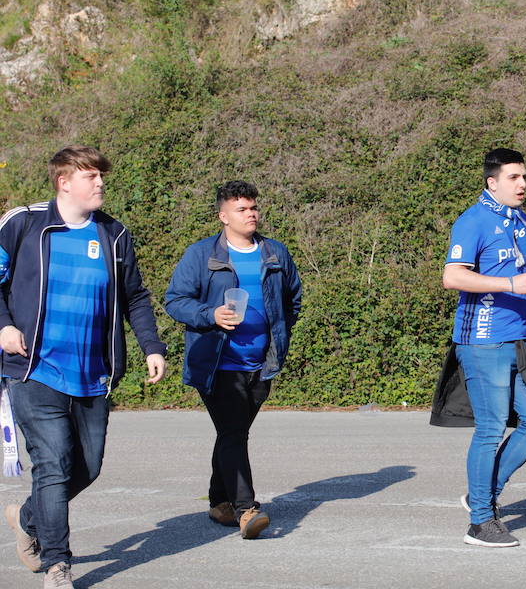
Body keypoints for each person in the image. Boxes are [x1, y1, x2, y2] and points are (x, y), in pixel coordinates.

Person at [0, 145, 167, 588]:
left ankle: (29, 515)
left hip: (93, 373)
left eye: (100, 176)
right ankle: (57, 564)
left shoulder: (114, 234)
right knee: (53, 465)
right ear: (64, 182)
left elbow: (135, 296)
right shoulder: (24, 223)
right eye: (91, 177)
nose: (100, 184)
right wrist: (3, 326)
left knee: (86, 468)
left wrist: (152, 345)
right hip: (34, 369)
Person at [165, 180, 302, 539]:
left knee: (232, 434)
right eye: (242, 209)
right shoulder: (200, 255)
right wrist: (211, 315)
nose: (251, 213)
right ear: (223, 216)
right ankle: (245, 509)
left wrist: (278, 336)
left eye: (254, 207)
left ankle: (218, 501)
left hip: (262, 363)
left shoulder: (275, 253)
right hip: (216, 363)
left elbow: (293, 301)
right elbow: (175, 300)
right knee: (233, 433)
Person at [442, 148, 526, 548]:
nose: (523, 184)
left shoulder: (520, 221)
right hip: (483, 342)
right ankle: (480, 521)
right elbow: (452, 277)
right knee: (490, 430)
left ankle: (483, 493)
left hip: (523, 341)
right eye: (513, 177)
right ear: (492, 182)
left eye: (524, 176)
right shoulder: (472, 221)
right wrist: (511, 285)